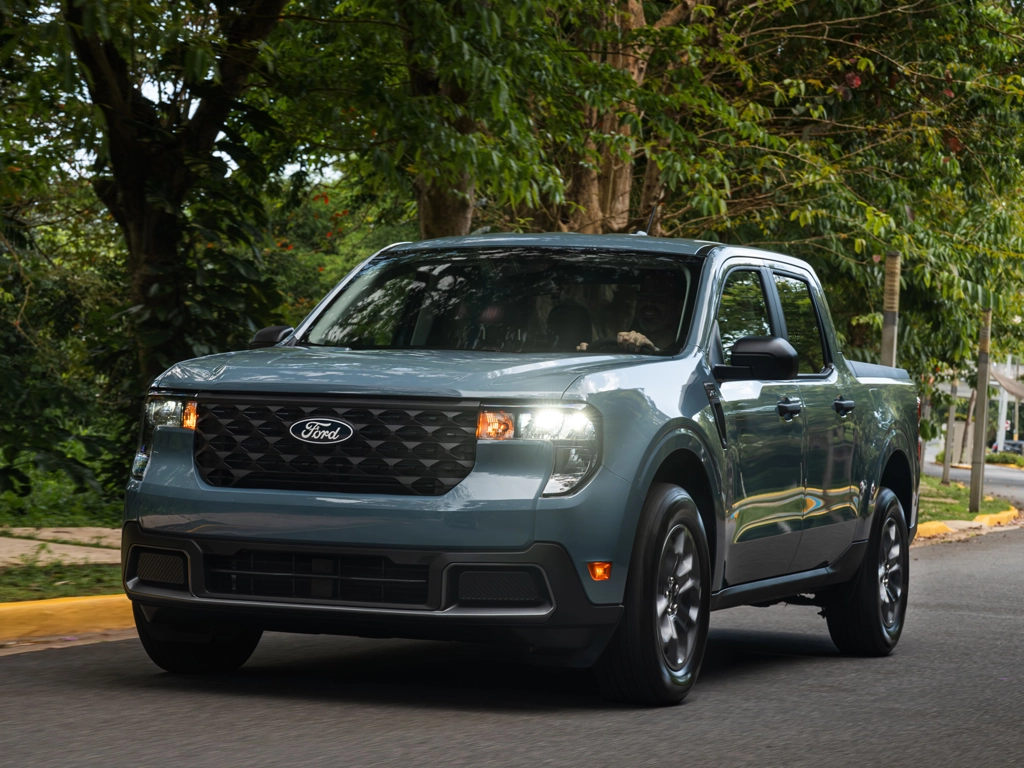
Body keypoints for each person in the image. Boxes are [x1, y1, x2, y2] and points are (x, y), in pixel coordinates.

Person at [576, 271, 685, 353]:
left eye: (660, 298)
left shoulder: (687, 353)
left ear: (680, 307)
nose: (649, 303)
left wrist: (653, 350)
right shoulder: (622, 346)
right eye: (644, 296)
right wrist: (588, 355)